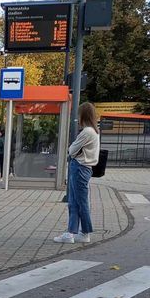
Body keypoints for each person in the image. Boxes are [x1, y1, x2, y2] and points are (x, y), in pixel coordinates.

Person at [54, 101, 100, 244]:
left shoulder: (87, 132)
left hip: (80, 167)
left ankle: (81, 232)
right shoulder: (93, 131)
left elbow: (72, 150)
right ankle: (74, 232)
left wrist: (72, 148)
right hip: (83, 168)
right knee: (75, 202)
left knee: (79, 202)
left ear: (83, 115)